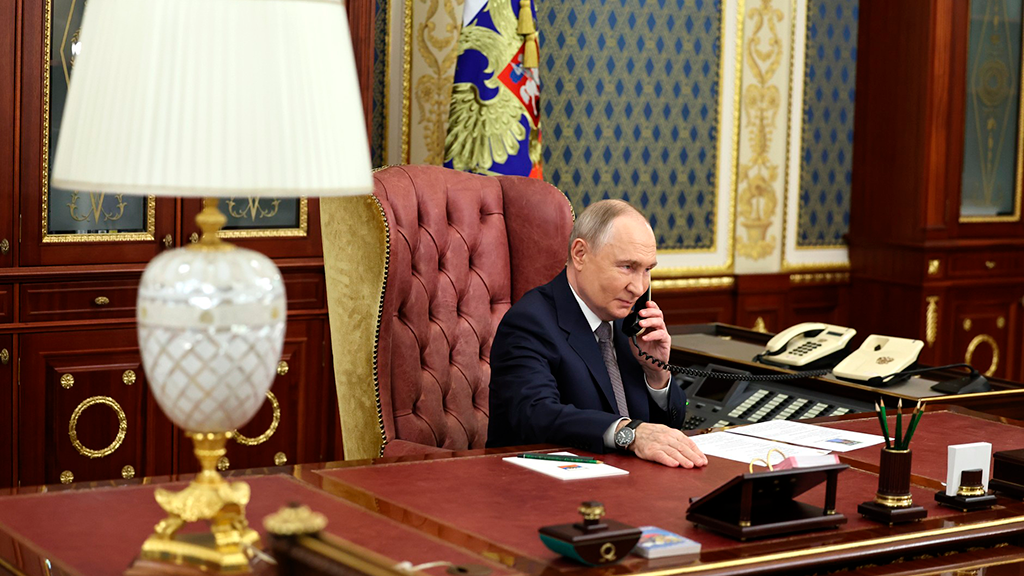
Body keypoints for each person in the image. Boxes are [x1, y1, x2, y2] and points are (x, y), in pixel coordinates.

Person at [487, 199, 708, 468]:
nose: (639, 288)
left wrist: (656, 374)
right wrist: (629, 433)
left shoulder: (630, 325)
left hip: (632, 480)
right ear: (580, 254)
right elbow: (536, 415)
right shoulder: (530, 321)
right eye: (627, 267)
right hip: (544, 483)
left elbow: (670, 429)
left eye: (647, 270)